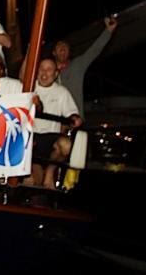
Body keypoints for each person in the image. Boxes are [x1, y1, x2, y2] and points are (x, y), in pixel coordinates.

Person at [30, 58, 82, 189]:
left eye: (49, 70)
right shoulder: (28, 87)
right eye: (41, 69)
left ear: (56, 74)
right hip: (30, 138)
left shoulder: (62, 92)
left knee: (66, 145)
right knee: (33, 181)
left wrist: (75, 119)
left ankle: (50, 172)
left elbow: (73, 114)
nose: (44, 73)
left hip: (52, 139)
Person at [54, 16, 118, 116]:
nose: (63, 49)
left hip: (74, 121)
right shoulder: (47, 71)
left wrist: (108, 31)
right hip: (54, 122)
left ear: (69, 52)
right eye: (59, 47)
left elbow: (94, 50)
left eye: (65, 47)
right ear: (54, 52)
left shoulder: (77, 65)